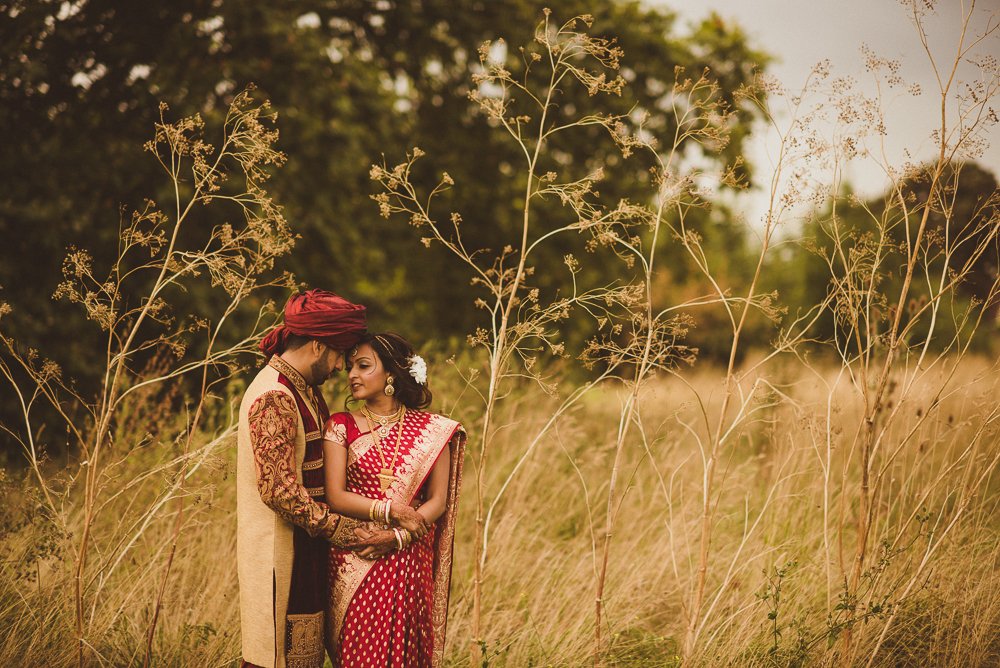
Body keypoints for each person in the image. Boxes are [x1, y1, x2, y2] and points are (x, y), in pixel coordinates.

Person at [237, 290, 397, 668]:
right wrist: (342, 530)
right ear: (315, 346)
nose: (342, 366)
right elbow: (278, 491)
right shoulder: (274, 395)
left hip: (303, 549)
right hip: (280, 556)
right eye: (340, 354)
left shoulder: (303, 388)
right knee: (275, 660)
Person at [322, 332, 466, 667]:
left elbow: (438, 502)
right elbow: (335, 495)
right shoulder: (341, 426)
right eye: (349, 367)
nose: (352, 375)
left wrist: (396, 536)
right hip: (357, 557)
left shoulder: (433, 430)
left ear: (391, 373)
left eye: (363, 366)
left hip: (407, 561)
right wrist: (389, 510)